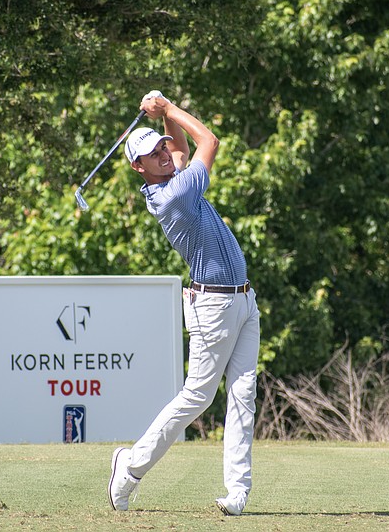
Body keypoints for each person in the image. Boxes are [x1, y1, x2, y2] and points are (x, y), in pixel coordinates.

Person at [107, 91, 261, 516]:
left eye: (159, 146)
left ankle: (237, 492)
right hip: (213, 306)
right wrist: (169, 110)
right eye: (151, 154)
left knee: (244, 394)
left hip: (244, 301)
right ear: (138, 167)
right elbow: (208, 142)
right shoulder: (174, 196)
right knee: (197, 396)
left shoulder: (172, 179)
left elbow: (182, 149)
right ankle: (131, 468)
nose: (162, 153)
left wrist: (163, 111)